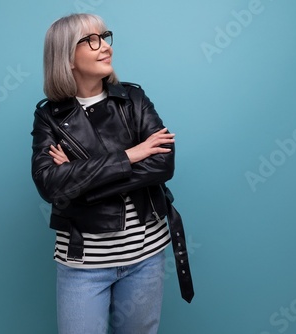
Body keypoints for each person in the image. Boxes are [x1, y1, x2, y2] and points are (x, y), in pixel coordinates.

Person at [31, 13, 192, 334]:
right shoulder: (48, 117)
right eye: (91, 40)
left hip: (146, 255)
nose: (105, 46)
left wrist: (81, 181)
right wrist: (131, 155)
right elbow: (50, 185)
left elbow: (162, 164)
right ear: (67, 56)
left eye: (104, 37)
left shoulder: (133, 99)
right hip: (83, 263)